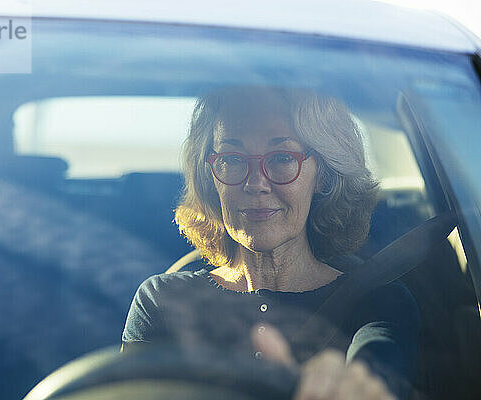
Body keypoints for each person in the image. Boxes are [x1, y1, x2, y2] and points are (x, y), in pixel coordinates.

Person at [122, 86, 420, 400]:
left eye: (281, 157)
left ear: (322, 174)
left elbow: (374, 370)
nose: (255, 183)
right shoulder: (160, 300)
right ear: (211, 174)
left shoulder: (377, 300)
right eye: (233, 159)